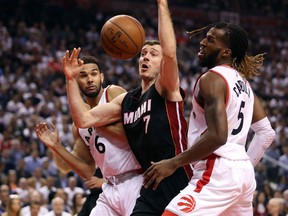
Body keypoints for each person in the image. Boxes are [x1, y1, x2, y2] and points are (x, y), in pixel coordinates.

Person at [61, 0, 192, 214]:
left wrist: (161, 5)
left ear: (162, 64)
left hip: (176, 174)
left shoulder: (165, 89)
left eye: (153, 54)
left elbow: (169, 53)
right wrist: (70, 80)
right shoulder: (127, 100)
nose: (146, 57)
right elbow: (84, 120)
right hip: (148, 182)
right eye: (143, 53)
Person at [142, 22, 276, 215]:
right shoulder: (245, 85)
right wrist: (241, 165)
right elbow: (266, 133)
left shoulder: (212, 79)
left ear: (226, 52)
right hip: (243, 175)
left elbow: (217, 136)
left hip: (217, 167)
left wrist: (173, 163)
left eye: (211, 40)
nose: (203, 42)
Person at [35, 55, 143, 216]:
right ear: (76, 81)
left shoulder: (113, 93)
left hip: (135, 179)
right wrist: (55, 147)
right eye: (83, 76)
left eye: (93, 74)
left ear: (101, 77)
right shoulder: (78, 126)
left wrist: (92, 120)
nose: (90, 79)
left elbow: (134, 135)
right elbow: (86, 170)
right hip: (110, 186)